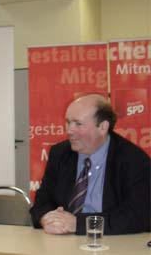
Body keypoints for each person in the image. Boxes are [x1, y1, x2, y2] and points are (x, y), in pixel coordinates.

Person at [30, 94, 150, 235]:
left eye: (78, 124)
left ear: (103, 127)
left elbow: (136, 216)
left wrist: (78, 224)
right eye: (68, 122)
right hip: (63, 241)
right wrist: (47, 218)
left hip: (114, 243)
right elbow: (43, 201)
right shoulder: (60, 153)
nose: (69, 130)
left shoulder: (133, 160)